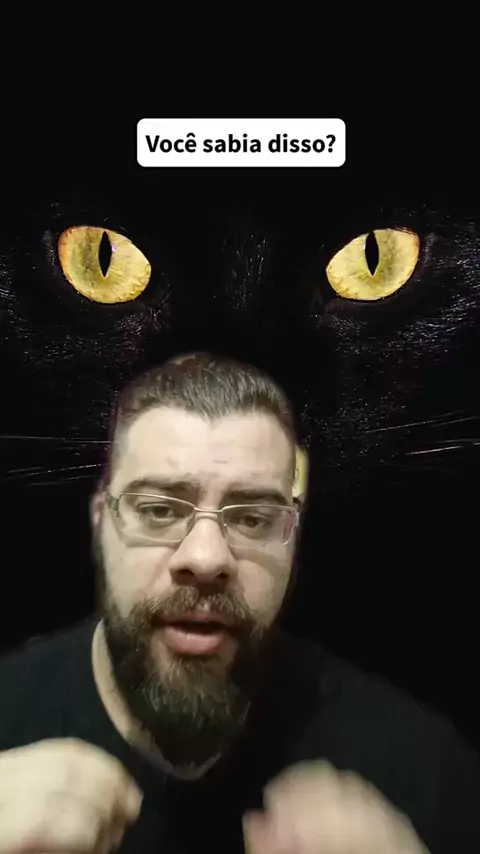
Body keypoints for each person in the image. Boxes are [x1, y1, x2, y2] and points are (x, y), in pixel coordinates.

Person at [0, 352, 478, 854]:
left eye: (253, 519)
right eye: (159, 509)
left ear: (293, 540)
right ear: (102, 522)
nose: (206, 558)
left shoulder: (422, 770)